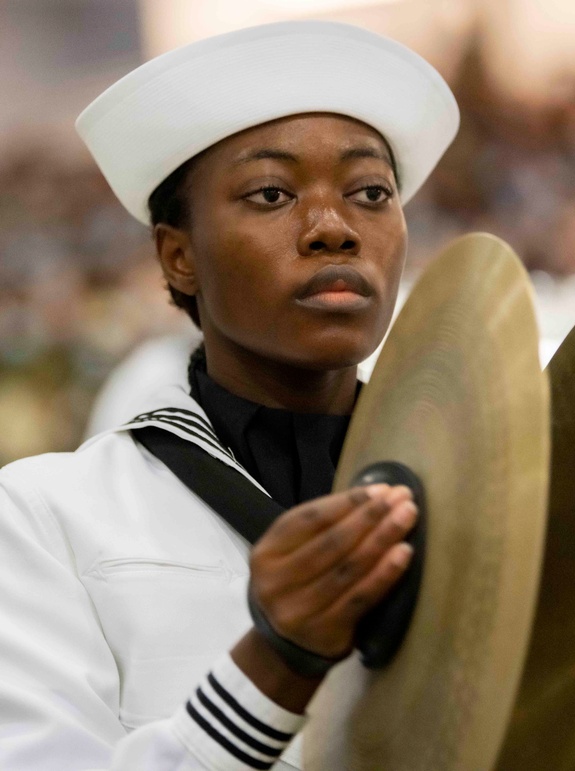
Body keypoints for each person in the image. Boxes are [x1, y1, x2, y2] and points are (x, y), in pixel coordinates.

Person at [0, 21, 458, 770]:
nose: (334, 228)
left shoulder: (482, 490)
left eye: (371, 191)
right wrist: (273, 664)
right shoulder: (43, 519)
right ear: (179, 256)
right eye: (272, 193)